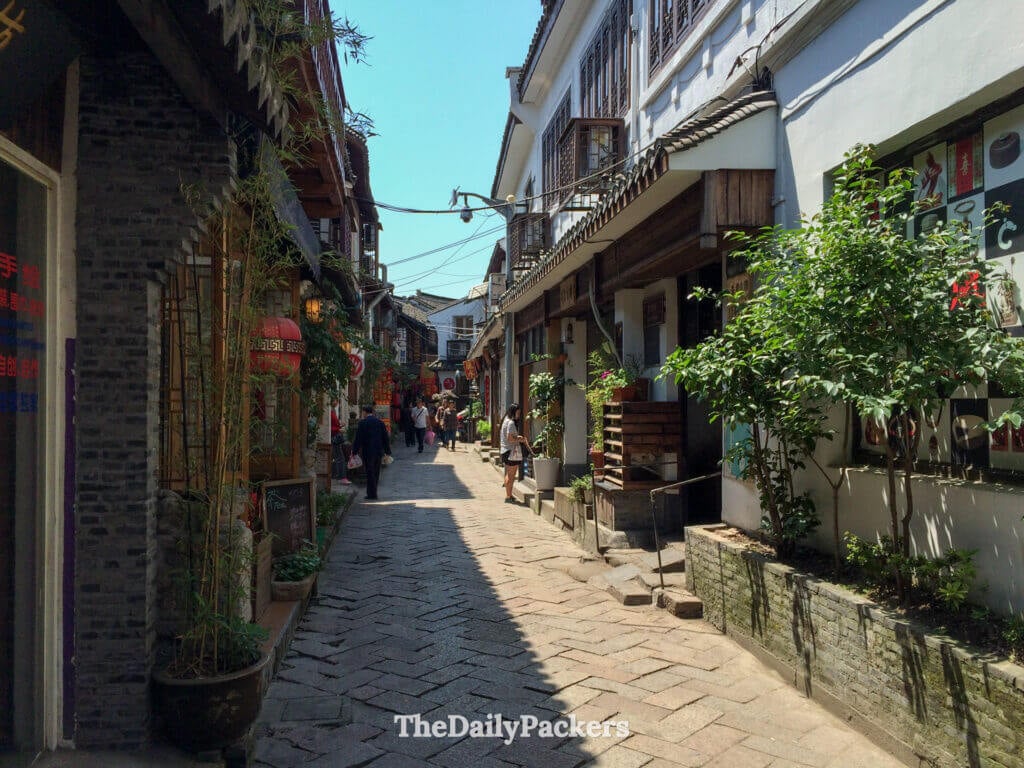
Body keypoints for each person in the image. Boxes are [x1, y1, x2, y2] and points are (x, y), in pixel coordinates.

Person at [351, 404, 392, 500]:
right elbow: (385, 438)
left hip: (368, 451)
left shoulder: (363, 423)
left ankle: (372, 493)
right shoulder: (380, 422)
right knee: (376, 471)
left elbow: (358, 438)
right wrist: (387, 451)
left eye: (362, 412)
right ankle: (373, 491)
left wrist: (354, 451)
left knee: (369, 471)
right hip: (378, 451)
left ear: (365, 412)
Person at [500, 403, 528, 503]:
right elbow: (510, 438)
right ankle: (508, 497)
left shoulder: (505, 420)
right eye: (518, 413)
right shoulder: (511, 423)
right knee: (511, 475)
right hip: (511, 451)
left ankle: (509, 495)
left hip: (505, 451)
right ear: (514, 412)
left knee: (509, 474)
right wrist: (519, 439)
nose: (519, 415)